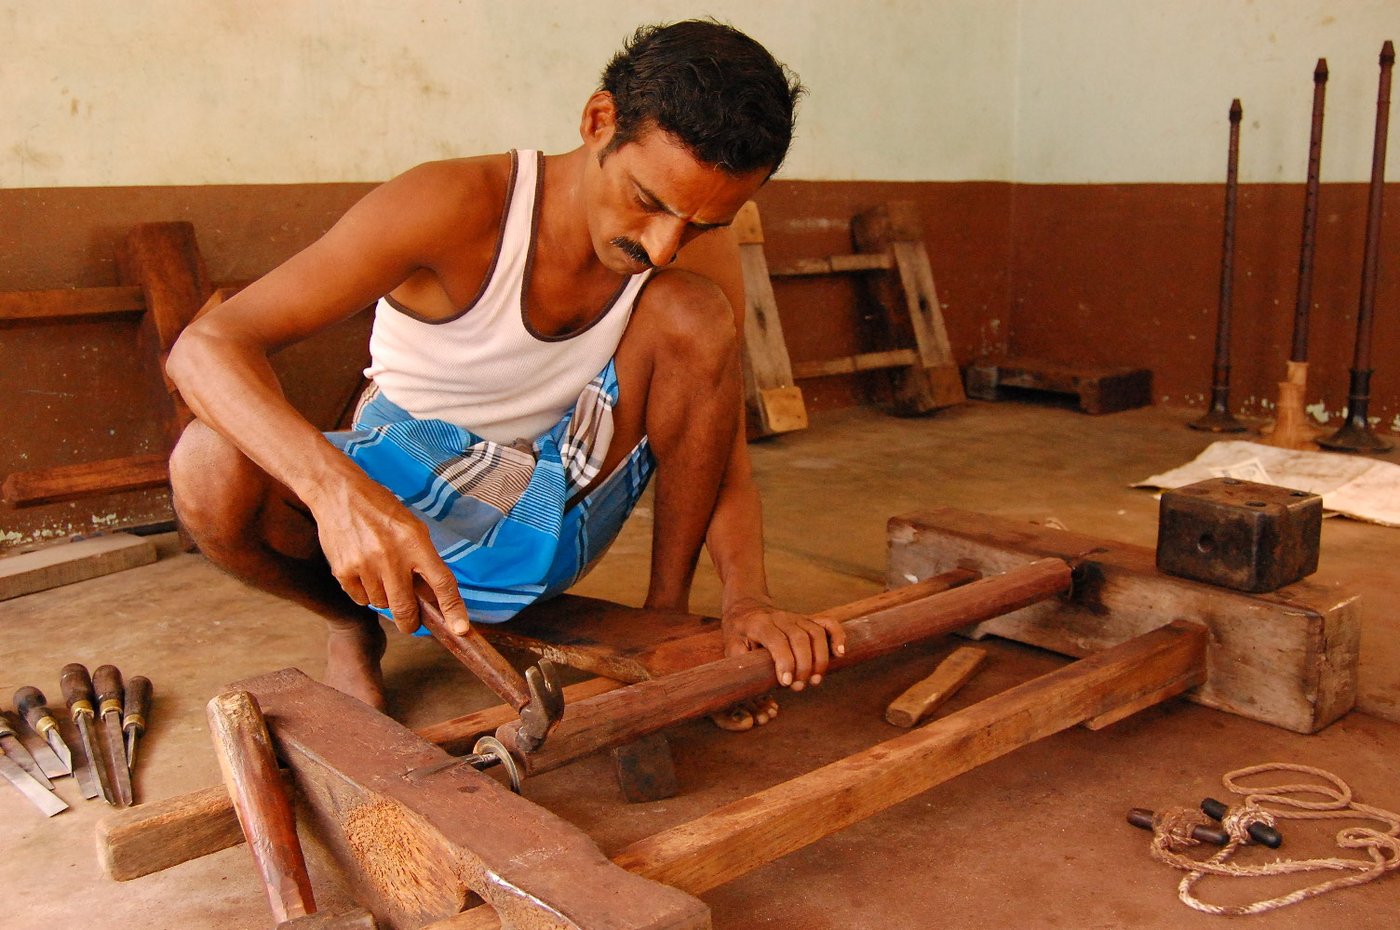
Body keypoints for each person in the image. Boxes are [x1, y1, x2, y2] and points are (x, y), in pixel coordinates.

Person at [166, 19, 845, 724]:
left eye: (700, 224)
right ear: (597, 120)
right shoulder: (453, 203)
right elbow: (203, 347)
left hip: (560, 491)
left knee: (697, 315)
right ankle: (347, 621)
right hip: (410, 476)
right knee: (209, 466)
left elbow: (719, 445)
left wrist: (748, 598)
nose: (665, 247)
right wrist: (336, 495)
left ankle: (663, 626)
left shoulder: (693, 245)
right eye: (649, 202)